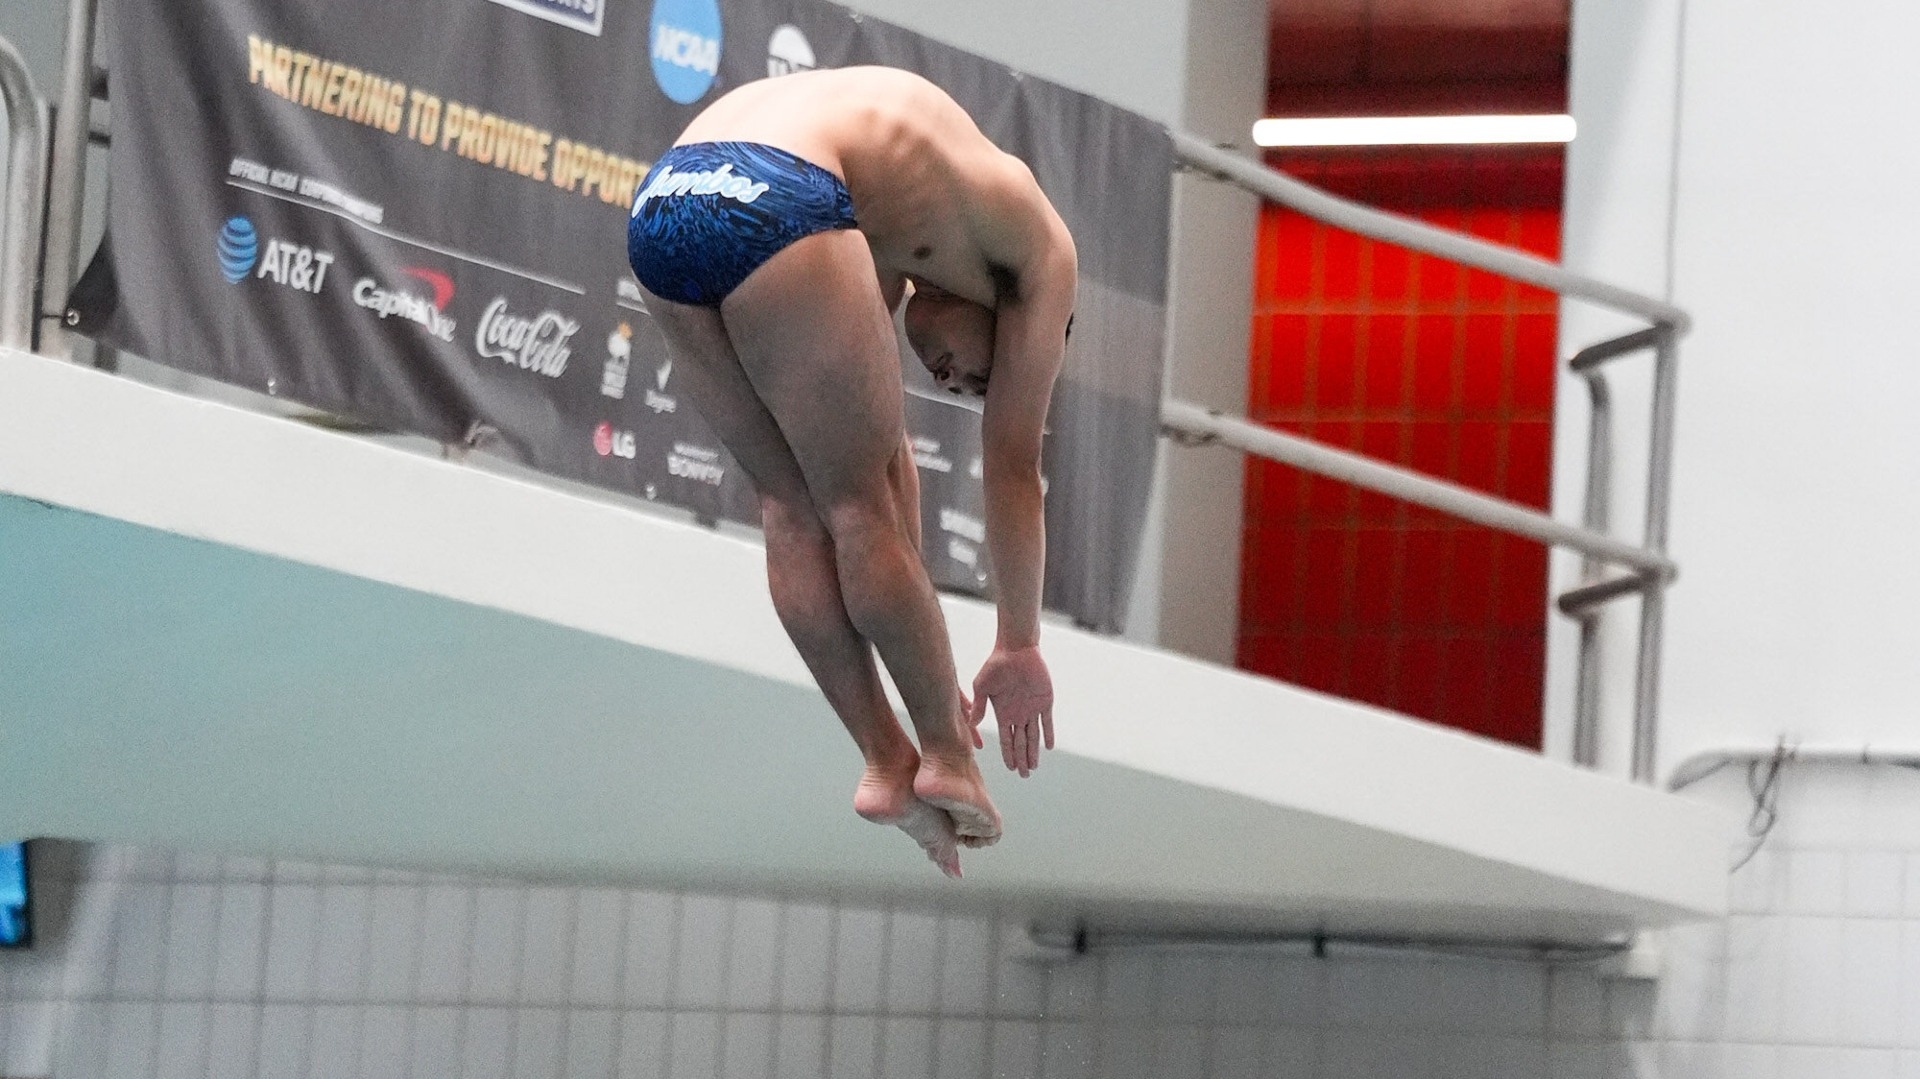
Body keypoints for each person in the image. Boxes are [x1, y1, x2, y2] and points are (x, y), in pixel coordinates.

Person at [626, 66, 1076, 877]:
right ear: (1011, 324)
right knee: (855, 510)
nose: (958, 385)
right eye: (979, 377)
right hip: (778, 187)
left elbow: (892, 454)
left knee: (792, 507)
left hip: (664, 201)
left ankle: (884, 761)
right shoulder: (1043, 255)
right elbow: (1014, 463)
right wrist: (1018, 642)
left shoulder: (909, 204)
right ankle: (944, 752)